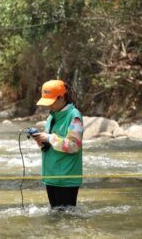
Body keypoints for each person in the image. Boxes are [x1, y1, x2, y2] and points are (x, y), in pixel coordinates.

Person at [32, 79, 83, 210]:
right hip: (51, 176)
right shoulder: (51, 117)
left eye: (52, 101)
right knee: (55, 219)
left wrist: (48, 137)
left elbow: (74, 146)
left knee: (67, 220)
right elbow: (51, 144)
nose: (49, 106)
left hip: (67, 179)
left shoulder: (74, 116)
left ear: (62, 97)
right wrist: (42, 142)